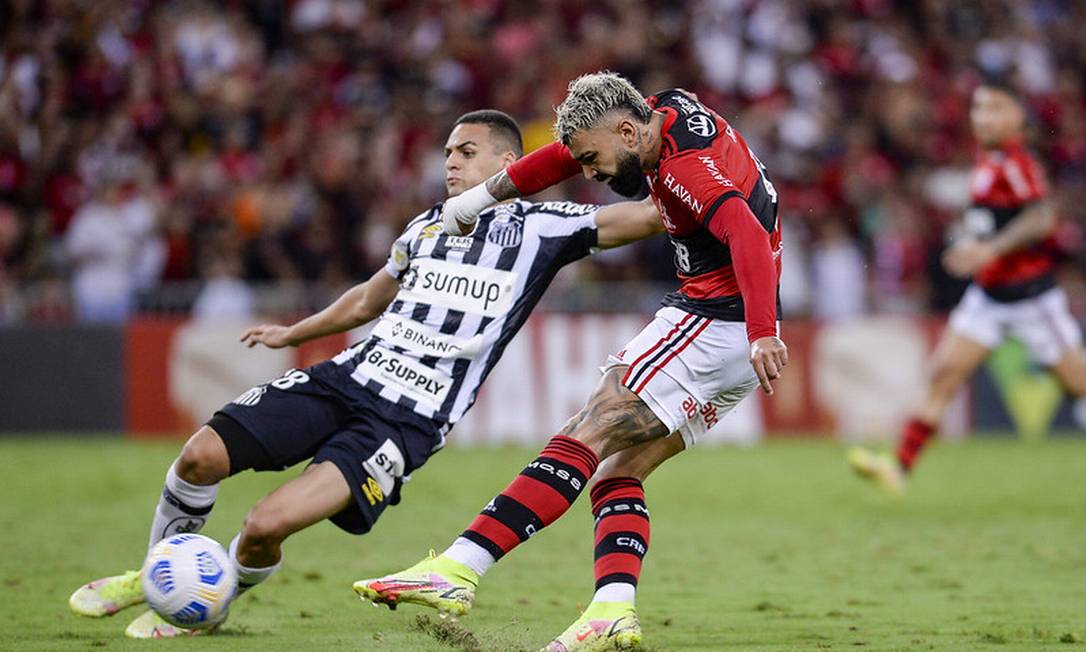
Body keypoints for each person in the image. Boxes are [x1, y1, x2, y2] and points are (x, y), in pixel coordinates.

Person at [67, 109, 665, 639]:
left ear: (510, 162)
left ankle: (213, 596)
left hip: (406, 420)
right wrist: (293, 333)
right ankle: (155, 574)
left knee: (263, 525)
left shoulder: (546, 226)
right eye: (448, 153)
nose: (450, 163)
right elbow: (365, 301)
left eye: (466, 151)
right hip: (345, 379)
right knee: (199, 456)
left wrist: (696, 170)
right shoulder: (427, 225)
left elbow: (647, 217)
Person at [355, 72, 787, 651]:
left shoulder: (685, 169)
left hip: (717, 322)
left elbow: (748, 233)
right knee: (616, 473)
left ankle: (458, 569)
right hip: (728, 333)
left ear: (628, 131)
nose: (590, 173)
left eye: (594, 159)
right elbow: (555, 159)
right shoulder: (660, 113)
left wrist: (761, 332)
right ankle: (612, 611)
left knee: (587, 428)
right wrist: (476, 200)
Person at [847, 79, 1086, 494]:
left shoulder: (1016, 161)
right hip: (988, 297)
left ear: (1017, 118)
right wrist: (971, 247)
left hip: (1031, 297)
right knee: (942, 375)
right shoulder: (987, 159)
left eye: (995, 108)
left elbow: (1041, 217)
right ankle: (898, 470)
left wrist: (990, 249)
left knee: (1078, 385)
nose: (983, 117)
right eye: (978, 108)